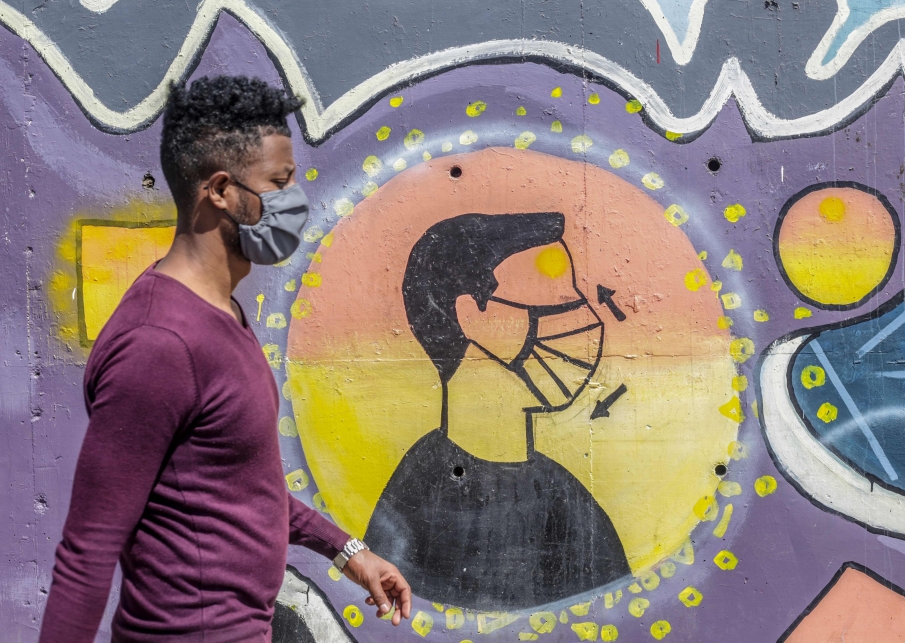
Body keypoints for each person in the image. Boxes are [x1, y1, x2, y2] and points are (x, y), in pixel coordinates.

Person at [39, 76, 410, 643]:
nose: (294, 199)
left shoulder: (219, 314)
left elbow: (241, 484)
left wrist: (350, 553)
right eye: (279, 183)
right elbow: (86, 554)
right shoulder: (160, 344)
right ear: (219, 189)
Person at [364, 212, 629, 610]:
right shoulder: (419, 492)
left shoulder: (563, 497)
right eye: (557, 304)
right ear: (471, 316)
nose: (586, 321)